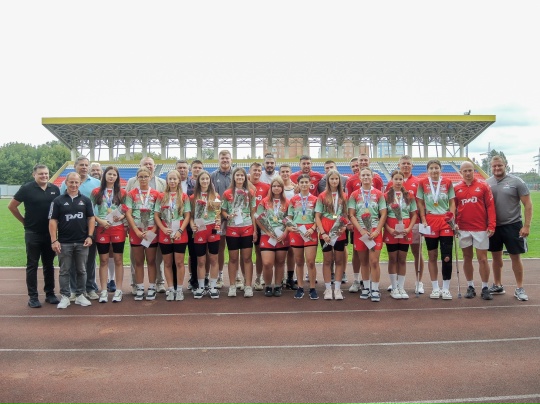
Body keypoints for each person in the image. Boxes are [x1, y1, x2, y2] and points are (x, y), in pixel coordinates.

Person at [8, 164, 61, 308]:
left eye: (46, 173)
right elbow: (12, 206)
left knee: (49, 265)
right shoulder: (26, 188)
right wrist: (23, 221)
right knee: (32, 265)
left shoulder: (54, 189)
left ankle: (50, 294)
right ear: (34, 175)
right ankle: (33, 297)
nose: (44, 176)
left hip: (50, 234)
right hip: (33, 233)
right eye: (41, 174)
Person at [487, 155, 532, 301]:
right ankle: (497, 284)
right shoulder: (487, 183)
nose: (497, 168)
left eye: (499, 165)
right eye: (494, 166)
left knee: (515, 257)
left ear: (505, 165)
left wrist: (527, 226)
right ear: (491, 167)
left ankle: (519, 288)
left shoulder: (517, 181)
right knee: (496, 257)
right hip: (494, 226)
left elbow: (528, 205)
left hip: (513, 225)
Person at [49, 172, 96, 309]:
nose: (74, 185)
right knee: (64, 271)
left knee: (82, 270)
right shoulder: (57, 201)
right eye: (71, 182)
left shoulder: (86, 200)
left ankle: (80, 295)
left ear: (80, 183)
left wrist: (90, 236)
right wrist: (54, 240)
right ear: (66, 182)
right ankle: (65, 296)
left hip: (82, 241)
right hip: (64, 242)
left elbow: (91, 218)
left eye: (76, 182)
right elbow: (53, 220)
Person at [60, 156, 100, 300]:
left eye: (86, 165)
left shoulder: (96, 183)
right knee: (71, 260)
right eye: (81, 165)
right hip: (71, 226)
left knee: (89, 259)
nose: (84, 167)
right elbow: (61, 202)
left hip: (91, 226)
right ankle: (73, 289)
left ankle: (90, 287)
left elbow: (101, 204)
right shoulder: (65, 183)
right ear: (75, 166)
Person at [454, 161, 496, 300]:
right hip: (463, 228)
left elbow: (490, 206)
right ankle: (470, 286)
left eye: (470, 170)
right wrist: (454, 224)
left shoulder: (483, 185)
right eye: (465, 171)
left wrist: (491, 225)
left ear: (474, 171)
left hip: (480, 228)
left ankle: (485, 287)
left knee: (482, 259)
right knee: (467, 257)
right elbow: (453, 208)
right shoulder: (456, 188)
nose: (467, 173)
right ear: (460, 172)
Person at [125, 157, 167, 294]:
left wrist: (154, 229)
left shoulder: (156, 194)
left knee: (151, 260)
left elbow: (159, 213)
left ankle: (153, 287)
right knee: (138, 261)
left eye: (146, 176)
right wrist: (135, 230)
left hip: (151, 231)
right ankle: (139, 287)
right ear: (137, 178)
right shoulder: (131, 194)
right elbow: (128, 213)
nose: (143, 179)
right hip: (136, 231)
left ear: (150, 177)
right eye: (141, 177)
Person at [384, 155, 425, 293]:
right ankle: (395, 283)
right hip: (393, 225)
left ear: (412, 165)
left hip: (413, 223)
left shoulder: (418, 182)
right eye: (403, 163)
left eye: (408, 163)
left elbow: (420, 203)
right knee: (395, 256)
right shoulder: (390, 184)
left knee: (416, 253)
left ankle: (419, 282)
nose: (406, 165)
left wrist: (421, 220)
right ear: (399, 165)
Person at [417, 159, 456, 300]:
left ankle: (445, 288)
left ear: (441, 169)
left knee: (446, 256)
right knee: (432, 255)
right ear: (428, 170)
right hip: (430, 220)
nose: (434, 170)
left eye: (436, 168)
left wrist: (452, 218)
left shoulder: (448, 182)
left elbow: (452, 202)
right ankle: (435, 288)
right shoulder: (422, 183)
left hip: (445, 220)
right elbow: (420, 202)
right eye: (431, 168)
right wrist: (423, 219)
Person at [348, 167, 387, 302]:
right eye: (363, 175)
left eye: (368, 175)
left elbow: (383, 214)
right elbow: (351, 215)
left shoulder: (379, 194)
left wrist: (377, 231)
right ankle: (366, 287)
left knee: (374, 261)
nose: (365, 177)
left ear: (372, 177)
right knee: (364, 261)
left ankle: (375, 289)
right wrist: (361, 230)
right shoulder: (354, 195)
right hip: (361, 232)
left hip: (375, 231)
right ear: (359, 178)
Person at [90, 166, 127, 303]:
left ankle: (119, 290)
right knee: (104, 260)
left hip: (117, 228)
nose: (111, 177)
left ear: (117, 177)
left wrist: (122, 217)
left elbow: (126, 210)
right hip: (102, 228)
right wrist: (99, 221)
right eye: (109, 174)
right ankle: (104, 291)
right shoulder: (96, 192)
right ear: (104, 175)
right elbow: (90, 210)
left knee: (118, 259)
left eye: (114, 175)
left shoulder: (122, 192)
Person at [154, 170, 191, 301]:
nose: (172, 181)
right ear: (167, 181)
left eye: (175, 179)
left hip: (180, 233)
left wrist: (180, 230)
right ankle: (170, 289)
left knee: (179, 262)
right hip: (165, 232)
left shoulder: (184, 196)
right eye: (170, 179)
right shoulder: (161, 196)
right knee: (168, 263)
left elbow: (187, 216)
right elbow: (156, 215)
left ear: (179, 180)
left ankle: (179, 289)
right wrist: (163, 228)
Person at [221, 167, 257, 298]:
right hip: (232, 228)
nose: (240, 177)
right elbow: (223, 210)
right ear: (234, 177)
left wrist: (254, 230)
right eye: (237, 175)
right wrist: (227, 216)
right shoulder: (227, 193)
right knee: (233, 258)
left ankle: (248, 286)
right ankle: (232, 286)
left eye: (242, 175)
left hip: (247, 227)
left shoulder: (250, 193)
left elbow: (253, 213)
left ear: (245, 178)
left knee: (247, 258)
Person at [315, 169, 348, 300]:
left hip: (339, 232)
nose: (334, 181)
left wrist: (343, 227)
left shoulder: (344, 196)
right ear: (328, 181)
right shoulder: (322, 196)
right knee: (327, 260)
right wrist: (323, 232)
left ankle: (337, 289)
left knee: (339, 260)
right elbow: (317, 216)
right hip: (326, 232)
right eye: (332, 179)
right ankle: (328, 289)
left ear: (339, 180)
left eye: (336, 179)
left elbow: (346, 214)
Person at [383, 170, 417, 299]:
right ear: (391, 180)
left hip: (405, 228)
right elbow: (382, 216)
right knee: (393, 258)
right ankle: (394, 287)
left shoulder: (409, 196)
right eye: (395, 179)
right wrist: (389, 229)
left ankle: (401, 287)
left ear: (403, 180)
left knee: (402, 258)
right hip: (391, 228)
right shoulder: (386, 196)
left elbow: (414, 215)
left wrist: (409, 229)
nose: (398, 181)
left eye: (400, 179)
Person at [255, 177, 290, 297]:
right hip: (267, 236)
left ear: (282, 188)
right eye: (274, 186)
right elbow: (258, 218)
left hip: (282, 236)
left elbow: (290, 219)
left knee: (280, 262)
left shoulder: (287, 202)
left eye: (279, 186)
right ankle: (268, 285)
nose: (276, 188)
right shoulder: (264, 201)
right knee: (267, 263)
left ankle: (278, 285)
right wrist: (267, 231)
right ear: (271, 188)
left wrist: (285, 233)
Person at [190, 170, 222, 299]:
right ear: (198, 181)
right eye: (202, 179)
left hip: (213, 229)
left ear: (210, 181)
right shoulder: (193, 197)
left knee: (214, 259)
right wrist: (192, 224)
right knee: (201, 260)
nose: (205, 181)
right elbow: (190, 216)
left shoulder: (216, 196)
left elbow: (218, 214)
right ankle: (201, 287)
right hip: (199, 230)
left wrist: (218, 221)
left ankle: (213, 287)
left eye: (207, 179)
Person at [287, 174, 319, 299]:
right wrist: (290, 227)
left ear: (310, 184)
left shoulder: (315, 199)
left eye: (306, 182)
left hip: (310, 232)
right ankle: (300, 287)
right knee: (299, 261)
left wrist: (313, 228)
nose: (304, 184)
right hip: (297, 232)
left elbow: (318, 217)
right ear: (298, 184)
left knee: (310, 262)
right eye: (302, 182)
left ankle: (312, 288)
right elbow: (289, 217)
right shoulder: (293, 200)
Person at [210, 150, 233, 289]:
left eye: (227, 158)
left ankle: (236, 276)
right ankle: (219, 275)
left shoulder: (236, 174)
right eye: (222, 158)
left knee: (235, 248)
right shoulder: (213, 175)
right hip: (218, 218)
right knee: (220, 247)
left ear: (231, 159)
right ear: (219, 160)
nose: (225, 160)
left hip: (234, 217)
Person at [248, 162, 270, 291]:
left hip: (260, 223)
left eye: (259, 171)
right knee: (245, 254)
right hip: (245, 223)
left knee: (259, 252)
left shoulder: (266, 187)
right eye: (254, 170)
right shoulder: (244, 185)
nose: (257, 172)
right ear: (249, 172)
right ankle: (244, 279)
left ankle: (258, 277)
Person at [184, 159, 203, 291]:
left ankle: (199, 278)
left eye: (199, 168)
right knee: (189, 254)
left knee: (197, 253)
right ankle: (192, 277)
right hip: (182, 222)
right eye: (195, 167)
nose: (197, 169)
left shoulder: (206, 183)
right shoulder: (187, 184)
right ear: (191, 169)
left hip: (198, 224)